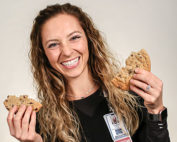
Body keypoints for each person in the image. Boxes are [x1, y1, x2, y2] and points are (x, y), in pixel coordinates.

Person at [6, 3, 170, 142]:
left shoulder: (132, 98)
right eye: (53, 44)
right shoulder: (38, 124)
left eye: (74, 37)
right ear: (44, 54)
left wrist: (156, 112)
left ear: (89, 39)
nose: (67, 51)